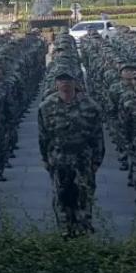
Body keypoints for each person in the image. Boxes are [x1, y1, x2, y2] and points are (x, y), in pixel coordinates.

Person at [38, 70, 104, 237]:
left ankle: (83, 228)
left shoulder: (90, 106)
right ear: (56, 84)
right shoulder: (46, 106)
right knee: (61, 195)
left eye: (68, 80)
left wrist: (97, 161)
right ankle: (65, 229)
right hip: (58, 158)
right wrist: (45, 158)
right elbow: (43, 136)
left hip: (82, 158)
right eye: (61, 80)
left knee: (84, 194)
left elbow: (97, 136)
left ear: (75, 82)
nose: (65, 83)